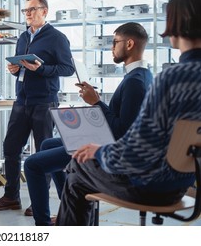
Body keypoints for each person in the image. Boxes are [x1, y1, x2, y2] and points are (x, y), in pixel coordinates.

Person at [56, 0, 201, 226]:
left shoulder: (171, 78)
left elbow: (136, 151)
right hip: (183, 183)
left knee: (77, 164)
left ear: (177, 24)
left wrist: (99, 152)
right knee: (77, 172)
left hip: (152, 186)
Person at [24, 22, 153, 225]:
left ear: (129, 44)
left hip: (112, 150)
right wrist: (96, 102)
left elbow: (121, 132)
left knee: (32, 165)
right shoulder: (140, 76)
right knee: (47, 144)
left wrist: (96, 103)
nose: (111, 47)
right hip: (110, 141)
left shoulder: (135, 83)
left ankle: (44, 226)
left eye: (115, 42)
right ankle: (69, 208)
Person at [0, 0, 75, 213]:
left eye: (32, 10)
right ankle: (11, 197)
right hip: (22, 101)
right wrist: (15, 69)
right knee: (11, 148)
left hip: (45, 102)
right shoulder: (23, 37)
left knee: (43, 154)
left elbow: (67, 69)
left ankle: (39, 202)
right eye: (25, 10)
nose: (27, 14)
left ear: (44, 12)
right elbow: (22, 63)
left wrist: (41, 69)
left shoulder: (57, 38)